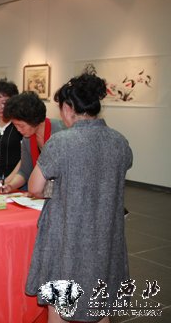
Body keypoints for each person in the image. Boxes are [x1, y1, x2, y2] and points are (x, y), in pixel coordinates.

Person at [25, 73, 133, 322]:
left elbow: (34, 186)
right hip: (106, 235)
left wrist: (58, 188)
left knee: (58, 305)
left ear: (68, 107)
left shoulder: (61, 142)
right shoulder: (119, 141)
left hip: (67, 234)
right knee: (100, 305)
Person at [0, 91, 65, 192]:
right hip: (43, 192)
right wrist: (10, 186)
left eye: (21, 125)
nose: (18, 129)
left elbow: (64, 173)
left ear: (34, 120)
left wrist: (45, 193)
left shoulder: (59, 132)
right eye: (15, 125)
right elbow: (24, 172)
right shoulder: (27, 139)